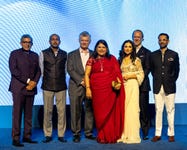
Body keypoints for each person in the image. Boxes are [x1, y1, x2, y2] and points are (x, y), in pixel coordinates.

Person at [84, 39, 125, 144]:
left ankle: (111, 135)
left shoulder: (112, 58)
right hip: (97, 90)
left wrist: (118, 84)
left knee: (110, 113)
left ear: (107, 49)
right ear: (96, 48)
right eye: (99, 47)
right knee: (99, 113)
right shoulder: (92, 59)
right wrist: (88, 89)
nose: (101, 49)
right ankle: (102, 135)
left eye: (103, 47)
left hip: (110, 90)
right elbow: (87, 75)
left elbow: (117, 74)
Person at [8, 34, 41, 147]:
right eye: (25, 41)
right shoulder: (14, 54)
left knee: (28, 114)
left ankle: (27, 136)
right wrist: (28, 81)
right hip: (18, 88)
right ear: (21, 43)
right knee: (17, 114)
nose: (27, 44)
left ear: (31, 43)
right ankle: (16, 138)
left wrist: (34, 82)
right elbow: (14, 70)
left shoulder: (35, 55)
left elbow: (38, 71)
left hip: (31, 88)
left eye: (29, 42)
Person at [151, 33, 180, 142]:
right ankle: (157, 134)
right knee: (158, 110)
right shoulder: (153, 55)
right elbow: (153, 71)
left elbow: (176, 71)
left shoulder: (174, 54)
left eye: (164, 40)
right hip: (157, 86)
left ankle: (171, 133)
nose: (162, 41)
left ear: (168, 41)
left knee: (170, 110)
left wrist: (170, 80)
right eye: (160, 40)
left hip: (170, 86)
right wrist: (158, 79)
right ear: (158, 41)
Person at [67, 31, 95, 142]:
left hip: (90, 87)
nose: (84, 42)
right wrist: (82, 81)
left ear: (90, 41)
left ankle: (88, 132)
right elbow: (70, 69)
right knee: (75, 110)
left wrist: (89, 82)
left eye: (86, 40)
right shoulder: (71, 54)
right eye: (82, 40)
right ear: (79, 41)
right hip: (76, 86)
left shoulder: (94, 54)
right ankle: (76, 133)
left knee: (89, 110)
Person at [39, 34, 67, 143]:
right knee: (47, 111)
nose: (55, 41)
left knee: (62, 111)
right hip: (47, 86)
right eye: (53, 39)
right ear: (49, 41)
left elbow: (65, 70)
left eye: (57, 39)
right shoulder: (43, 53)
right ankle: (48, 134)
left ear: (59, 41)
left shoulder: (65, 54)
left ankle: (61, 134)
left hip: (61, 85)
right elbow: (41, 70)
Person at [118, 40, 144, 144]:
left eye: (129, 46)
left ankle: (132, 135)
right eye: (125, 46)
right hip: (122, 87)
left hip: (133, 86)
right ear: (123, 48)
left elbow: (141, 74)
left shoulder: (136, 60)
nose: (127, 48)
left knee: (132, 110)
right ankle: (123, 134)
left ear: (132, 48)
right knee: (123, 109)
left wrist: (130, 75)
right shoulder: (120, 60)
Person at [132, 29, 151, 140]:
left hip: (142, 85)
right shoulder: (128, 50)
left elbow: (148, 68)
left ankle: (145, 132)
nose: (136, 38)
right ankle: (133, 131)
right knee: (131, 109)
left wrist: (139, 79)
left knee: (143, 110)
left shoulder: (147, 52)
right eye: (135, 36)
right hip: (130, 86)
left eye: (139, 36)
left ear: (142, 38)